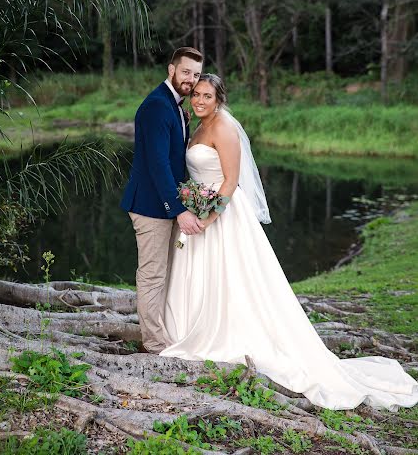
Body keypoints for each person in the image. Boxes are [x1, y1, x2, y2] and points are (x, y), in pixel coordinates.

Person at [160, 73, 418, 411]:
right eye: (196, 94)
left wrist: (208, 218)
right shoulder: (198, 125)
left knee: (234, 279)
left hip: (223, 216)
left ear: (219, 99)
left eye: (207, 96)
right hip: (199, 210)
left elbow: (231, 181)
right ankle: (188, 325)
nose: (199, 100)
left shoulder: (223, 127)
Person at [120, 47, 204, 354]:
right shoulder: (157, 106)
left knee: (165, 273)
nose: (191, 80)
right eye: (186, 72)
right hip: (150, 206)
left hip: (164, 203)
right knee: (153, 274)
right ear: (172, 69)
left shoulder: (176, 106)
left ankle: (165, 333)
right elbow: (157, 164)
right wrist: (178, 208)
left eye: (196, 74)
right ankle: (154, 344)